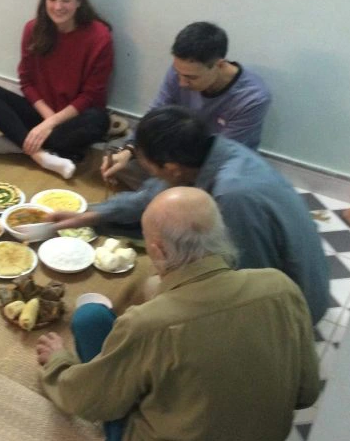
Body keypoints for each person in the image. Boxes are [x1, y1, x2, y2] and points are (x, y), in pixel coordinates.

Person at [37, 187, 320, 441]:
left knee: (89, 318)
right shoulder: (280, 287)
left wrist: (59, 362)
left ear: (157, 252)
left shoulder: (148, 324)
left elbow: (86, 401)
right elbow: (307, 391)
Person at [52, 106, 329, 323]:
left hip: (294, 311)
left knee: (159, 293)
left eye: (148, 167)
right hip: (283, 281)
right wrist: (92, 215)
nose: (149, 175)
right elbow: (152, 195)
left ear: (172, 168)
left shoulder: (232, 198)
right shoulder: (213, 151)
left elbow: (251, 283)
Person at [0, 0, 113, 180]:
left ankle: (19, 143)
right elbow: (27, 81)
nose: (58, 7)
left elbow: (90, 95)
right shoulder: (33, 29)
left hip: (74, 118)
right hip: (41, 114)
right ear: (44, 0)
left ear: (79, 1)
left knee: (99, 121)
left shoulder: (100, 37)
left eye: (66, 0)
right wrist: (47, 121)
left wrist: (51, 124)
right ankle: (41, 155)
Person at [102, 21, 271, 187]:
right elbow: (156, 114)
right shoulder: (182, 71)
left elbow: (223, 155)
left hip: (213, 165)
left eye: (191, 78)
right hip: (175, 155)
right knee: (120, 161)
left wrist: (174, 173)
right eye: (178, 73)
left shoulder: (252, 98)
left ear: (219, 65)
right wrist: (129, 149)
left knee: (223, 188)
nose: (182, 83)